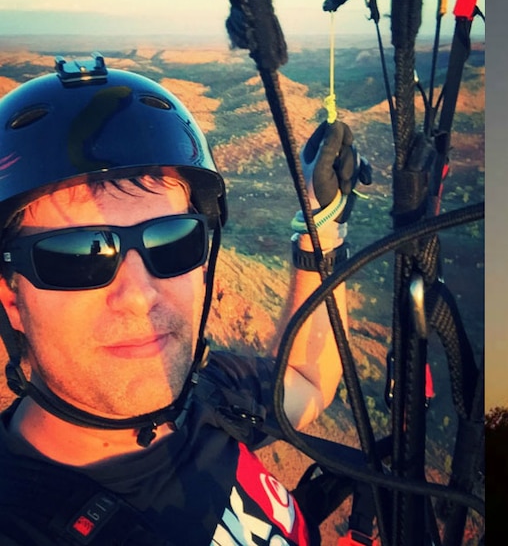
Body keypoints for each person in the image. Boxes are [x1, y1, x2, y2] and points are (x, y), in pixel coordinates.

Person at [0, 54, 369, 545]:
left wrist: (322, 227)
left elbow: (306, 381)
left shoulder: (208, 394)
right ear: (11, 298)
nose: (138, 296)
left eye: (172, 242)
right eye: (77, 257)